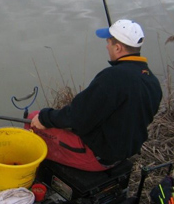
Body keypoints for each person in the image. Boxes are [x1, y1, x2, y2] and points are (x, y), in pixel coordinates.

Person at [25, 19, 162, 171]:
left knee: (32, 118)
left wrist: (45, 118)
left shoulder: (113, 77)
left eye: (108, 42)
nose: (106, 46)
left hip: (97, 156)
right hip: (123, 152)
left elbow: (78, 117)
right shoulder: (152, 80)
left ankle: (32, 173)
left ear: (118, 48)